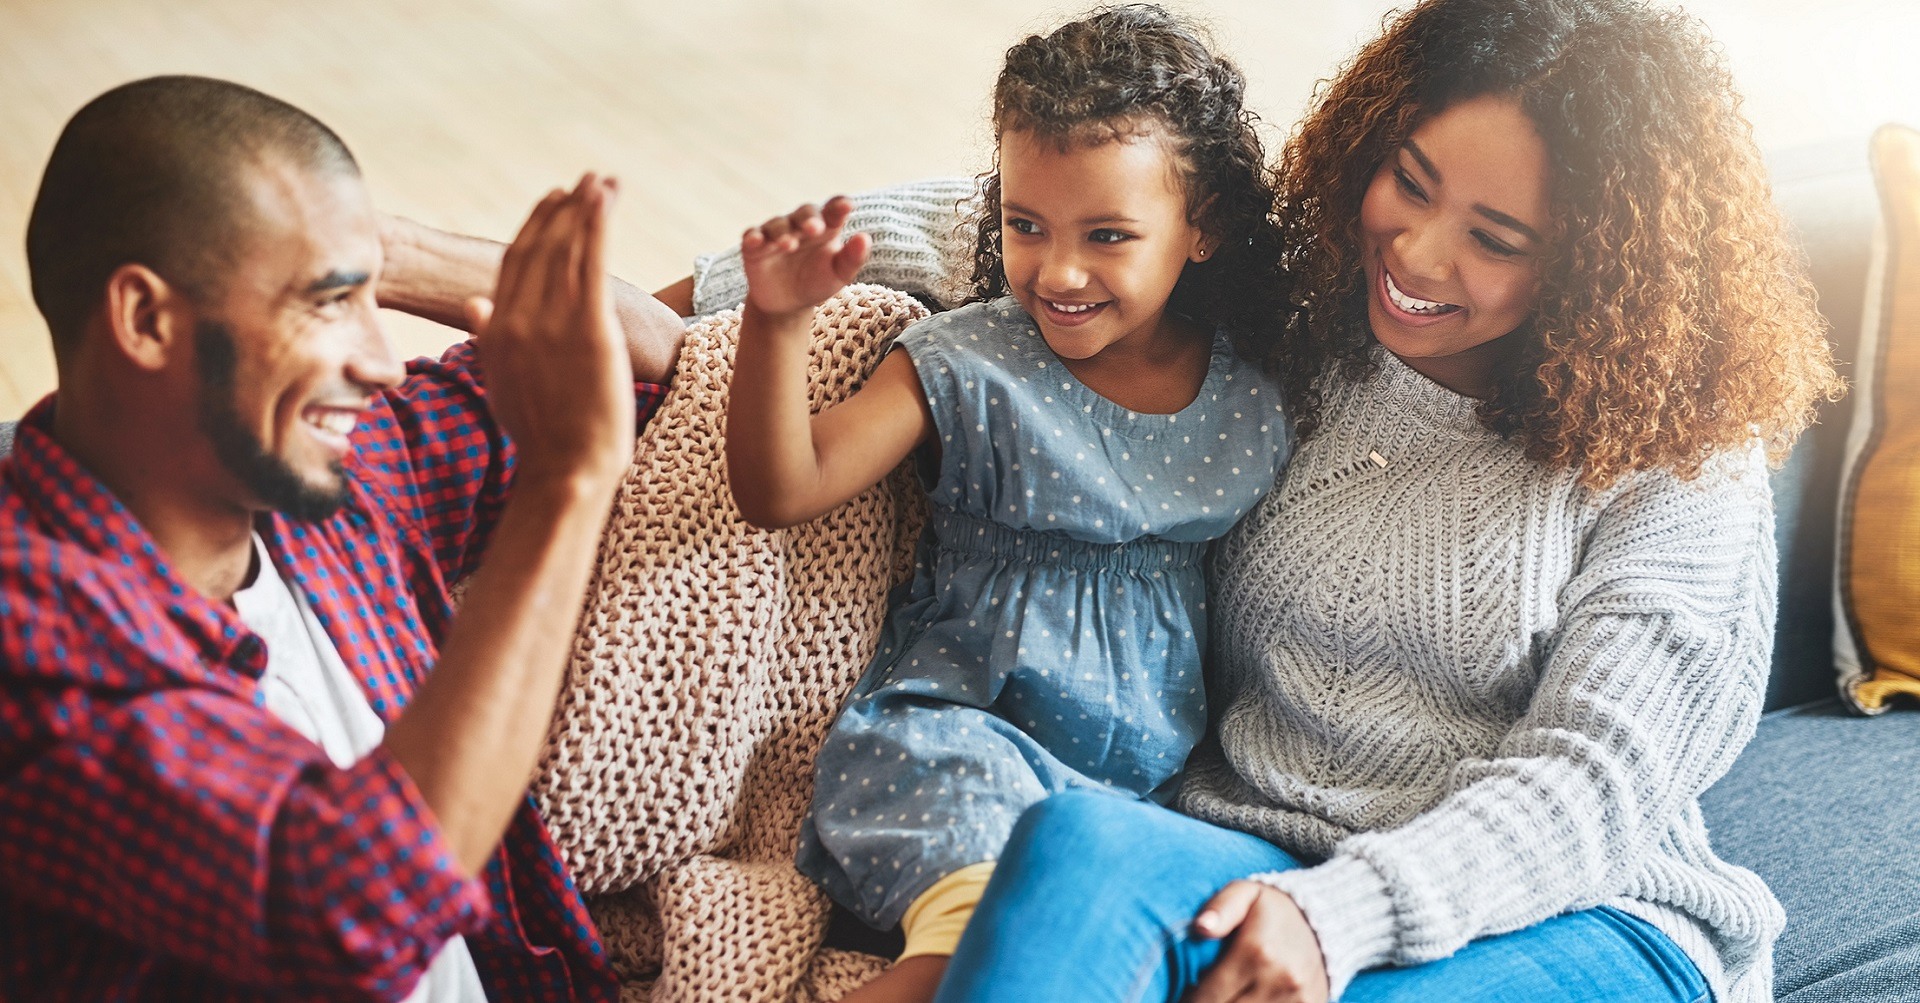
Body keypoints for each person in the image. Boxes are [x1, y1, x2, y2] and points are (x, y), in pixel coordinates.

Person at [679, 0, 1842, 999]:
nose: (1420, 257)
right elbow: (1014, 211)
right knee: (1073, 843)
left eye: (1494, 238)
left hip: (1574, 915)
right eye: (1411, 182)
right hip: (1242, 859)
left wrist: (1344, 919)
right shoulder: (1305, 311)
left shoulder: (1679, 455)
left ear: (1603, 263)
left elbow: (1593, 786)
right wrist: (689, 294)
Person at [0, 75, 688, 1001]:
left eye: (378, 298)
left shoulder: (332, 481)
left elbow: (655, 356)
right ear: (147, 320)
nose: (379, 360)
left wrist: (369, 246)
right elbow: (354, 905)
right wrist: (566, 480)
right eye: (328, 303)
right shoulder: (29, 624)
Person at [721, 8, 1292, 1001]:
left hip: (1131, 790)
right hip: (956, 747)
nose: (1058, 271)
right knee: (981, 952)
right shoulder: (970, 364)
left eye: (1108, 235)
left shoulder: (1256, 397)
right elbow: (786, 484)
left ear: (1205, 230)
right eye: (1025, 226)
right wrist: (777, 324)